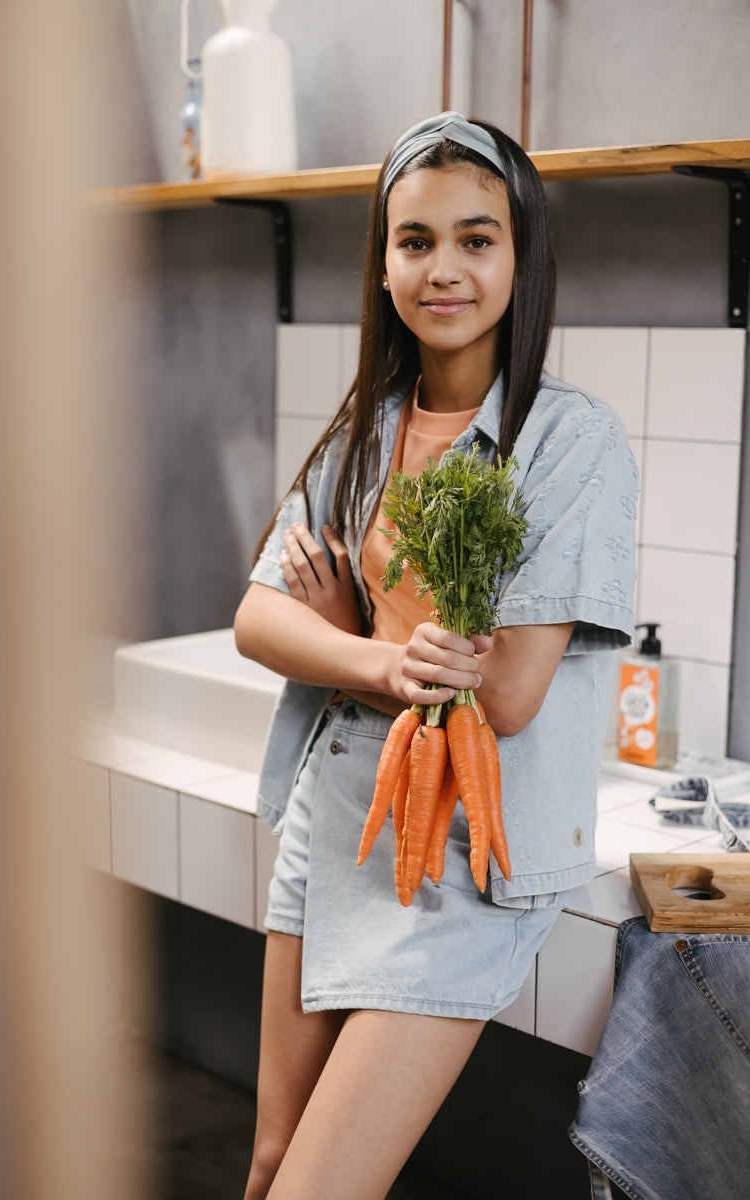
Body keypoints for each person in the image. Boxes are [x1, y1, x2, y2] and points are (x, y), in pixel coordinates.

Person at [234, 111, 638, 1200]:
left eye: (475, 238)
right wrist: (375, 661)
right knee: (270, 1162)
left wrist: (351, 632)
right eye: (413, 242)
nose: (442, 268)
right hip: (335, 822)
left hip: (461, 852)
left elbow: (504, 694)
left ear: (520, 255)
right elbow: (259, 620)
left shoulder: (571, 442)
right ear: (381, 263)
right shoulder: (363, 427)